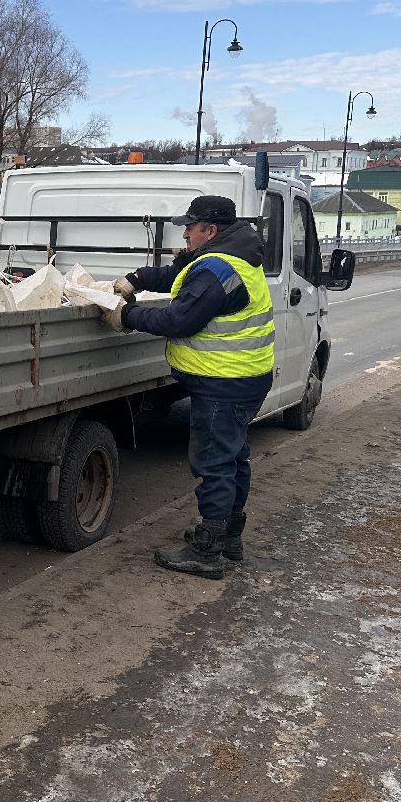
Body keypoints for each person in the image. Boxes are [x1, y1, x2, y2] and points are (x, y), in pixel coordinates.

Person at [99, 194, 274, 580]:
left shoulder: (218, 270)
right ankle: (228, 537)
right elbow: (178, 275)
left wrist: (126, 314)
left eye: (189, 227)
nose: (184, 234)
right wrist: (139, 279)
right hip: (244, 378)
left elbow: (179, 320)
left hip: (224, 382)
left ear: (209, 230)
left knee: (214, 462)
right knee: (232, 458)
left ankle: (207, 551)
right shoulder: (232, 254)